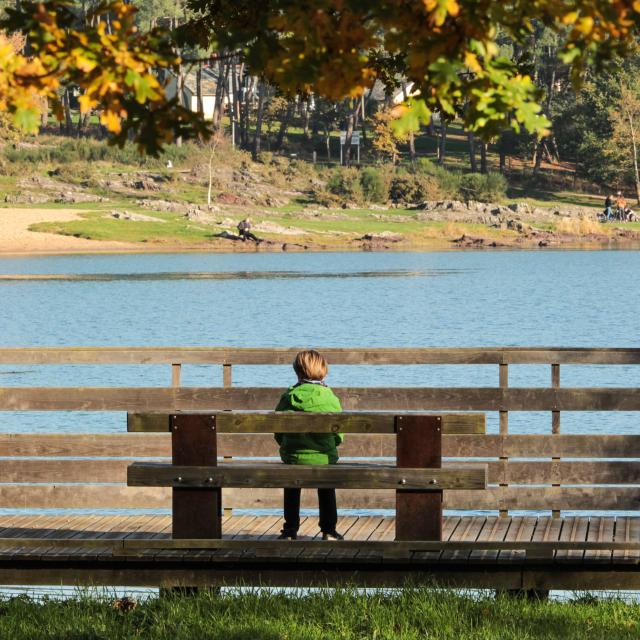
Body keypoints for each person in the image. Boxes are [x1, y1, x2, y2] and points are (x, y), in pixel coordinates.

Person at [274, 350, 344, 541]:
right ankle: (328, 530)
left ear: (298, 372)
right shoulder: (330, 398)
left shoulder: (288, 397)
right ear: (324, 371)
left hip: (294, 457)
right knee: (326, 486)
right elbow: (339, 434)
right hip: (324, 458)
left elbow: (277, 432)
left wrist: (288, 447)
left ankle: (290, 530)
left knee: (292, 485)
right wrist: (332, 446)